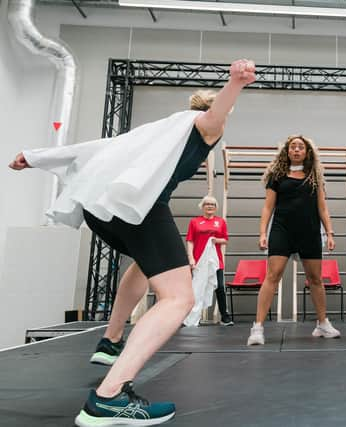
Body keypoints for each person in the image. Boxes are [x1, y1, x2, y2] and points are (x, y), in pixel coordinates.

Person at [9, 59, 256, 425]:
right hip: (138, 209)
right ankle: (110, 396)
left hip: (105, 207)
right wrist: (236, 82)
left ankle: (111, 340)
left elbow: (97, 147)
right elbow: (215, 114)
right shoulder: (203, 127)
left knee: (146, 266)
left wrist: (34, 157)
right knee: (179, 298)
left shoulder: (157, 131)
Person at [247, 135, 341, 345]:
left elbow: (322, 207)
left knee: (316, 279)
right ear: (287, 152)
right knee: (272, 276)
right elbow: (268, 207)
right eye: (293, 147)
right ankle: (257, 328)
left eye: (301, 147)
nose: (297, 149)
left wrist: (330, 233)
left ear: (307, 152)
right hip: (282, 231)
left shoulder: (315, 176)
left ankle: (322, 324)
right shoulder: (277, 176)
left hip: (309, 232)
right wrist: (263, 233)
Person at [187, 195, 233, 325]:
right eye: (207, 204)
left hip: (216, 261)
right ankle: (192, 316)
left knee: (220, 286)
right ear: (202, 206)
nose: (209, 206)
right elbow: (190, 241)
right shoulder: (195, 222)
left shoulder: (221, 222)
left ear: (216, 207)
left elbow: (225, 240)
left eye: (212, 204)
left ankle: (225, 316)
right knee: (197, 287)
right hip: (199, 261)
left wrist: (215, 240)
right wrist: (191, 258)